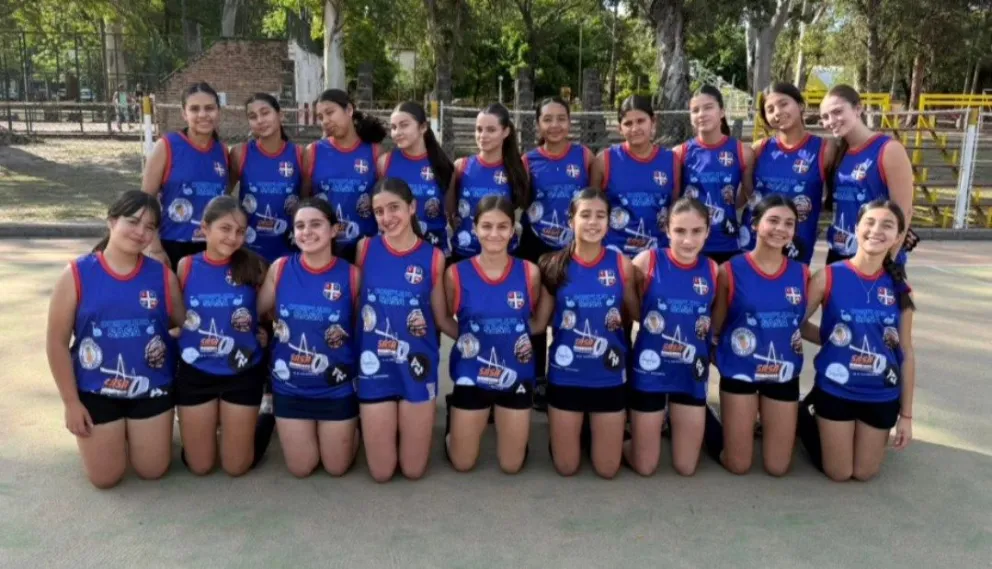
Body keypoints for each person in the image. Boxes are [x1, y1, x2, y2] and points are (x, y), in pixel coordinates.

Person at [45, 190, 183, 488]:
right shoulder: (76, 273)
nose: (141, 232)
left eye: (149, 227)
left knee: (152, 470)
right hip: (96, 390)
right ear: (111, 221)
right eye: (133, 222)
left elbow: (185, 326)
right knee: (105, 478)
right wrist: (71, 403)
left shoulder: (162, 276)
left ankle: (139, 433)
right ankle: (115, 435)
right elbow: (56, 342)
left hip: (151, 387)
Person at [797, 200, 915, 481]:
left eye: (887, 225)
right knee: (839, 473)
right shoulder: (828, 276)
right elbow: (797, 324)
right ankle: (803, 415)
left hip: (881, 393)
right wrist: (833, 340)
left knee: (863, 473)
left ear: (898, 237)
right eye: (870, 222)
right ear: (856, 228)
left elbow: (906, 351)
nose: (876, 230)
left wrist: (907, 416)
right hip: (836, 389)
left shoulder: (901, 288)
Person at [355, 178, 457, 482]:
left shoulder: (434, 257)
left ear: (412, 207)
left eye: (394, 208)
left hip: (416, 365)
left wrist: (480, 339)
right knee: (382, 473)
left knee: (413, 471)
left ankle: (452, 426)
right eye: (379, 211)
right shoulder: (365, 248)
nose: (387, 217)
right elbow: (355, 307)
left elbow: (441, 317)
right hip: (375, 365)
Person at [444, 195, 551, 473]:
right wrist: (470, 341)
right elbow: (444, 319)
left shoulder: (529, 272)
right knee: (463, 463)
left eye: (502, 226)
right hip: (472, 372)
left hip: (515, 372)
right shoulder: (456, 273)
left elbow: (538, 322)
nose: (494, 234)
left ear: (513, 230)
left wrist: (515, 338)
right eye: (487, 226)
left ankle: (515, 435)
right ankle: (454, 423)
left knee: (511, 465)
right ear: (475, 228)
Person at [257, 198, 361, 478]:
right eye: (300, 226)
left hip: (336, 386)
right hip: (290, 385)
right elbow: (255, 310)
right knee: (301, 468)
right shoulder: (280, 268)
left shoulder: (351, 275)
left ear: (334, 229)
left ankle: (355, 428)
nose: (307, 232)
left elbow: (361, 329)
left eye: (316, 224)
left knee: (336, 468)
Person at [539, 187, 638, 479]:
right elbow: (541, 323)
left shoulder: (622, 265)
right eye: (585, 215)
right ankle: (570, 433)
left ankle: (606, 431)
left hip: (608, 376)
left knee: (607, 470)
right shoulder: (553, 265)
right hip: (566, 375)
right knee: (566, 467)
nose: (593, 222)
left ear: (609, 221)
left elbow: (633, 315)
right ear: (571, 220)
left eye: (600, 216)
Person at [708, 195, 808, 476]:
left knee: (778, 467)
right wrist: (713, 352)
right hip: (740, 370)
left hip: (783, 371)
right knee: (738, 464)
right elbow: (717, 325)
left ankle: (806, 413)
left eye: (789, 223)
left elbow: (799, 323)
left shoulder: (802, 274)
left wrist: (835, 340)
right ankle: (703, 420)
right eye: (773, 220)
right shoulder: (730, 270)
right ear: (754, 224)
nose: (781, 228)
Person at [175, 196, 268, 476]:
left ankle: (266, 418)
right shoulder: (185, 266)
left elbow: (268, 312)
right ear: (205, 228)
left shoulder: (255, 266)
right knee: (200, 466)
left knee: (235, 467)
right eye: (225, 228)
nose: (233, 237)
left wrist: (265, 331)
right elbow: (177, 316)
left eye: (240, 231)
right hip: (196, 370)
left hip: (242, 369)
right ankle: (208, 427)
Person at [625, 197, 717, 476]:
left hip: (690, 372)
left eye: (696, 231)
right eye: (679, 231)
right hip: (650, 368)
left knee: (685, 467)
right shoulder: (646, 262)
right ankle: (618, 437)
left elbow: (716, 322)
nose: (688, 240)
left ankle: (697, 422)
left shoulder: (715, 270)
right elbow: (631, 311)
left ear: (707, 231)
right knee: (645, 466)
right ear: (667, 230)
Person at [519, 96, 599, 411]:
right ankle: (537, 378)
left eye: (561, 118)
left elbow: (595, 199)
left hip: (574, 246)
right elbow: (522, 200)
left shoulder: (585, 156)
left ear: (569, 121)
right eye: (547, 119)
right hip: (536, 245)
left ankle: (573, 371)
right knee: (536, 310)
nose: (555, 125)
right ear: (538, 124)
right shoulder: (528, 160)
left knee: (576, 310)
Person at [820, 85, 916, 264]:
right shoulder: (838, 152)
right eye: (825, 117)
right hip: (839, 254)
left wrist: (887, 260)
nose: (831, 121)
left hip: (875, 258)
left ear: (858, 109)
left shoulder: (888, 149)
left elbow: (904, 212)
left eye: (837, 112)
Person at [741, 83, 832, 264]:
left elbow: (833, 195)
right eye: (770, 109)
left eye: (783, 104)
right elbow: (748, 193)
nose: (777, 112)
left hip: (796, 244)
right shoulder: (759, 148)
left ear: (800, 105)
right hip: (754, 240)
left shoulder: (825, 149)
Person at [141, 82, 230, 270]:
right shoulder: (167, 146)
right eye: (195, 109)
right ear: (184, 114)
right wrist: (154, 247)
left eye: (209, 108)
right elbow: (146, 200)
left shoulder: (222, 151)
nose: (203, 114)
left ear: (218, 112)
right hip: (172, 244)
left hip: (212, 248)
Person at [676, 85, 753, 265]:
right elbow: (675, 199)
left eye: (708, 107)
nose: (701, 114)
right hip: (690, 244)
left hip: (727, 243)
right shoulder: (680, 153)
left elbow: (748, 194)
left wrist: (725, 202)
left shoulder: (743, 152)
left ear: (722, 112)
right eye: (695, 110)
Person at [306, 89, 385, 263]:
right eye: (320, 117)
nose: (325, 121)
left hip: (365, 250)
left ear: (349, 110)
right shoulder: (313, 151)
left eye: (330, 112)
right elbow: (305, 199)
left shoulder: (375, 152)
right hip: (325, 250)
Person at [446, 103, 529, 265]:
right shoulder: (461, 166)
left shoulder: (517, 169)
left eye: (491, 130)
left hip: (504, 256)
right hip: (465, 254)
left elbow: (520, 207)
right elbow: (451, 212)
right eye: (479, 129)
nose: (483, 135)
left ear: (505, 132)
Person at [598, 94, 679, 257]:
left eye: (641, 121)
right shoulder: (604, 160)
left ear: (653, 121)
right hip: (615, 253)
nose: (635, 128)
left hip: (658, 254)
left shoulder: (671, 160)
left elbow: (675, 208)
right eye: (628, 123)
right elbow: (593, 208)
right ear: (620, 128)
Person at [231, 93, 307, 263]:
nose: (260, 120)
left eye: (265, 113)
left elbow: (306, 200)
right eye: (253, 116)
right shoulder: (240, 153)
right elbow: (224, 197)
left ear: (280, 115)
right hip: (250, 251)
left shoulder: (300, 154)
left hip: (290, 251)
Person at [378, 101, 454, 253]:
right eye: (393, 127)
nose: (397, 132)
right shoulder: (384, 162)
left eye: (404, 125)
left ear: (423, 127)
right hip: (394, 250)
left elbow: (451, 212)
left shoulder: (442, 165)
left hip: (434, 250)